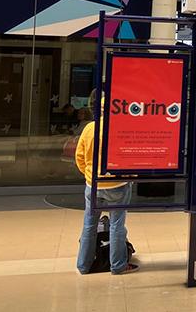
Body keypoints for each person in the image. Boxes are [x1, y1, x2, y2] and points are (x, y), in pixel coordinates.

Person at [75, 110, 137, 275]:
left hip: (93, 185)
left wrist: (88, 174)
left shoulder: (89, 129)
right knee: (117, 226)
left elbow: (79, 157)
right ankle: (118, 265)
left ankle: (83, 265)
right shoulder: (121, 130)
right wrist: (131, 176)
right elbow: (130, 157)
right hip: (117, 185)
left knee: (89, 224)